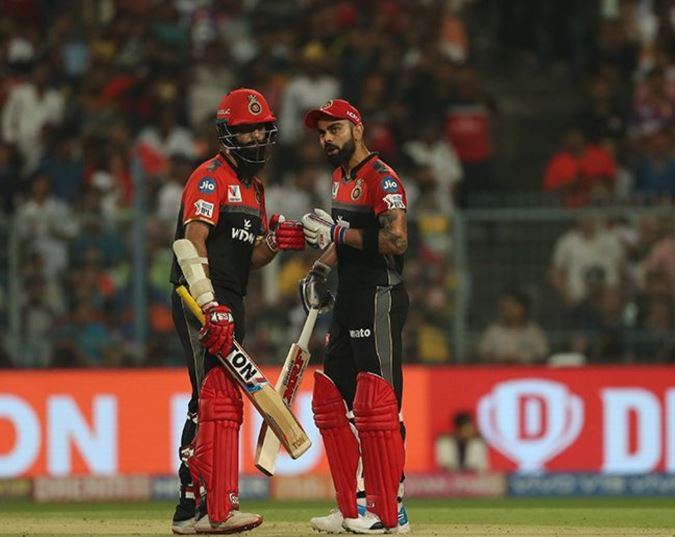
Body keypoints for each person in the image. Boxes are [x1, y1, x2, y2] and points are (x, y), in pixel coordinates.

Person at [169, 88, 305, 534]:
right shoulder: (209, 178)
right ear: (228, 135)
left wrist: (273, 243)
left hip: (233, 299)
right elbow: (192, 241)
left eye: (262, 130)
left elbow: (251, 258)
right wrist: (209, 305)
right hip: (199, 297)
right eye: (247, 132)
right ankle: (207, 506)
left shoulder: (255, 189)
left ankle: (193, 510)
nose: (257, 139)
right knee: (213, 398)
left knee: (214, 398)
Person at [300, 99, 410, 534]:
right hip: (348, 298)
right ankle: (352, 505)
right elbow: (343, 240)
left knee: (381, 405)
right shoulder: (338, 179)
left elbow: (396, 240)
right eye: (321, 133)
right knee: (338, 402)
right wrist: (320, 268)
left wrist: (337, 232)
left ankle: (392, 509)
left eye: (335, 130)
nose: (326, 139)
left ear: (357, 129)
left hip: (379, 295)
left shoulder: (382, 178)